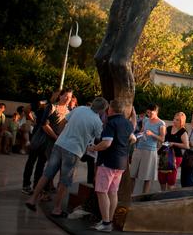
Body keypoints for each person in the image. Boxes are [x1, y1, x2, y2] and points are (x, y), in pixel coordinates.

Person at [25, 97, 108, 217]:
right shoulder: (97, 122)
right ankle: (57, 208)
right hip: (74, 150)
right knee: (65, 180)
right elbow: (100, 138)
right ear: (102, 110)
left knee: (47, 173)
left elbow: (64, 122)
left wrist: (61, 135)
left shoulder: (79, 109)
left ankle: (32, 199)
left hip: (60, 143)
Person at [87, 99, 135, 233]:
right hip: (121, 163)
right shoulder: (127, 123)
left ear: (110, 109)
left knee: (102, 191)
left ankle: (106, 222)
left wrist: (93, 148)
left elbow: (106, 143)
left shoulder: (111, 123)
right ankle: (109, 220)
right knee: (113, 192)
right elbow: (133, 138)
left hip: (108, 162)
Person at [130, 102, 166, 194]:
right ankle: (130, 195)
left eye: (151, 113)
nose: (149, 115)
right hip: (139, 148)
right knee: (132, 174)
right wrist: (138, 136)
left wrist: (152, 134)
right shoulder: (145, 120)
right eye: (148, 113)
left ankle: (144, 196)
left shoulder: (161, 123)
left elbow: (162, 139)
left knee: (147, 176)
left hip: (150, 151)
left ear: (156, 112)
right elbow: (142, 131)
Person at [158, 112, 189, 191]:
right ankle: (162, 196)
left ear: (182, 121)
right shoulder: (169, 128)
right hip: (165, 155)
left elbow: (186, 146)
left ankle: (169, 198)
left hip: (176, 157)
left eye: (177, 120)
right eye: (174, 119)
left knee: (170, 178)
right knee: (161, 176)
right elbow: (165, 141)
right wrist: (159, 150)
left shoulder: (183, 132)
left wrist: (174, 143)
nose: (174, 121)